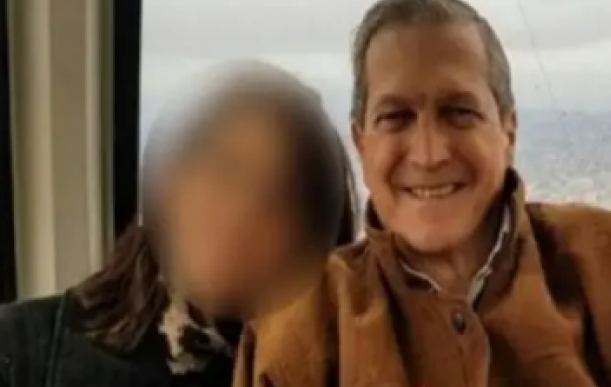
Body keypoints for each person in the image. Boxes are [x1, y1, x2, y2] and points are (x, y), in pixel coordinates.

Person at [233, 0, 611, 387]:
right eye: (396, 117)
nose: (429, 152)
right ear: (361, 142)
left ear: (508, 130)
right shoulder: (301, 326)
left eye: (459, 112)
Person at [0, 61, 359, 387]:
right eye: (225, 169)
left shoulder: (336, 373)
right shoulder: (20, 350)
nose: (242, 211)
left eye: (280, 196)